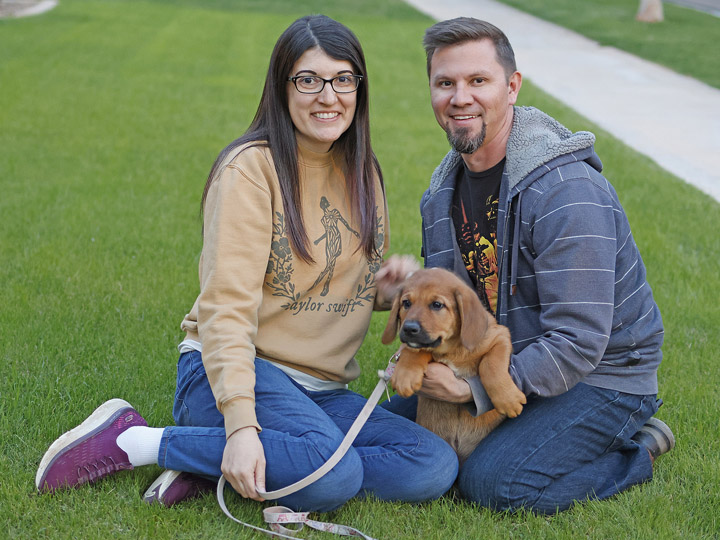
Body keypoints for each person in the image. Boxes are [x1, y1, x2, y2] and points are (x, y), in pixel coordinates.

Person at [35, 14, 458, 512]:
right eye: (309, 80)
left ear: (359, 90)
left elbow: (338, 289)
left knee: (430, 464)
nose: (329, 96)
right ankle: (135, 442)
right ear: (281, 88)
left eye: (343, 79)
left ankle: (222, 461)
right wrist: (239, 425)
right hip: (238, 373)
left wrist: (391, 289)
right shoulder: (251, 171)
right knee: (332, 477)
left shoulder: (363, 170)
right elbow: (226, 309)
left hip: (321, 390)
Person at [383, 17, 674, 515]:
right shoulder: (440, 194)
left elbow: (581, 340)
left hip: (602, 375)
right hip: (500, 360)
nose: (460, 98)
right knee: (387, 436)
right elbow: (452, 312)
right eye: (445, 83)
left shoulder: (566, 193)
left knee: (493, 483)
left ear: (512, 86)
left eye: (479, 81)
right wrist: (399, 297)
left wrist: (472, 388)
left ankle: (640, 445)